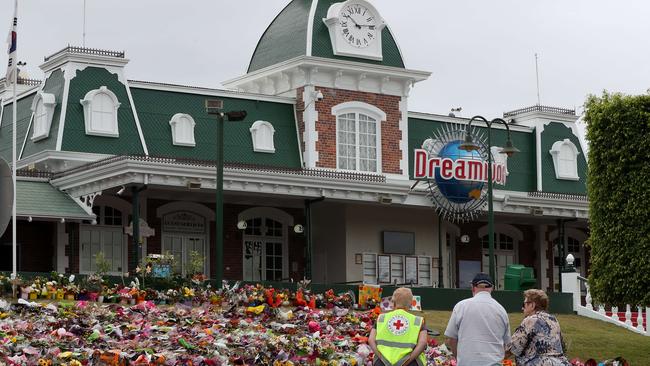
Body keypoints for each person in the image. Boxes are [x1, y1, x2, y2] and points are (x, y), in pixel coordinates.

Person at [444, 273, 511, 366]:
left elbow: (451, 339)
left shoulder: (461, 306)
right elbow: (507, 343)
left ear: (472, 287)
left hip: (467, 363)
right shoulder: (501, 310)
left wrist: (458, 357)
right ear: (492, 288)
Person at [506, 289, 571, 365]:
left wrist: (494, 359)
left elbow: (512, 347)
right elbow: (562, 347)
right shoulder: (554, 320)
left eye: (524, 305)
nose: (522, 308)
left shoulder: (530, 320)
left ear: (532, 305)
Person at [368, 287, 428, 366]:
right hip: (410, 363)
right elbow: (423, 343)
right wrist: (406, 361)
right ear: (410, 304)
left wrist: (381, 357)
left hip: (382, 362)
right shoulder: (418, 321)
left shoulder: (381, 318)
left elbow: (371, 340)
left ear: (393, 302)